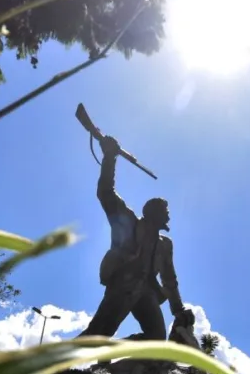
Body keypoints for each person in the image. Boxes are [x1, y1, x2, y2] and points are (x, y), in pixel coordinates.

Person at [78, 134, 195, 342]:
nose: (168, 215)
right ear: (152, 213)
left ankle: (113, 349)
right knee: (97, 334)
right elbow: (106, 192)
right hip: (123, 283)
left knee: (156, 339)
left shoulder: (165, 245)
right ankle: (51, 365)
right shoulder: (129, 222)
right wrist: (109, 158)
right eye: (165, 211)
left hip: (148, 292)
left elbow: (169, 280)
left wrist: (178, 309)